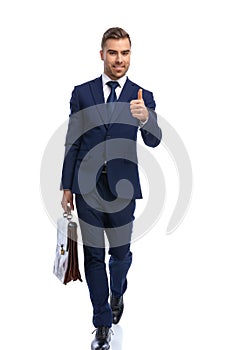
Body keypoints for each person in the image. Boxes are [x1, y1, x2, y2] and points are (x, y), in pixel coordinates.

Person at [60, 27, 162, 350]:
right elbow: (73, 141)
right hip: (86, 190)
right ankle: (102, 324)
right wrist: (66, 186)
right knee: (93, 257)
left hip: (123, 192)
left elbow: (154, 139)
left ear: (131, 55)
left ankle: (118, 291)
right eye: (114, 52)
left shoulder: (140, 95)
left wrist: (147, 118)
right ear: (102, 53)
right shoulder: (82, 93)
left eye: (125, 53)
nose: (120, 59)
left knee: (120, 257)